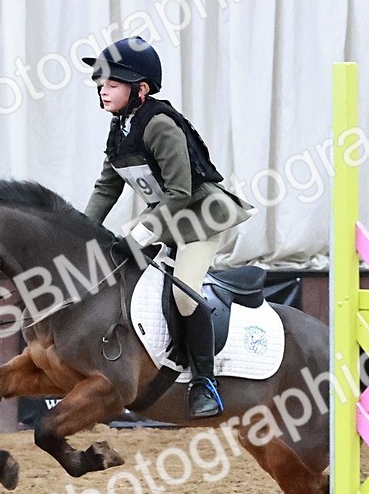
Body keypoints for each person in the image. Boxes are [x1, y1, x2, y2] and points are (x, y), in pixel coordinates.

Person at [81, 36, 253, 419]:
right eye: (100, 84)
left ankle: (204, 383)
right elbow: (105, 188)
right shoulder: (119, 128)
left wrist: (141, 232)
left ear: (140, 89)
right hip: (166, 221)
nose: (102, 90)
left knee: (184, 296)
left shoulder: (159, 124)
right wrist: (78, 231)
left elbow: (180, 191)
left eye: (111, 84)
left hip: (201, 219)